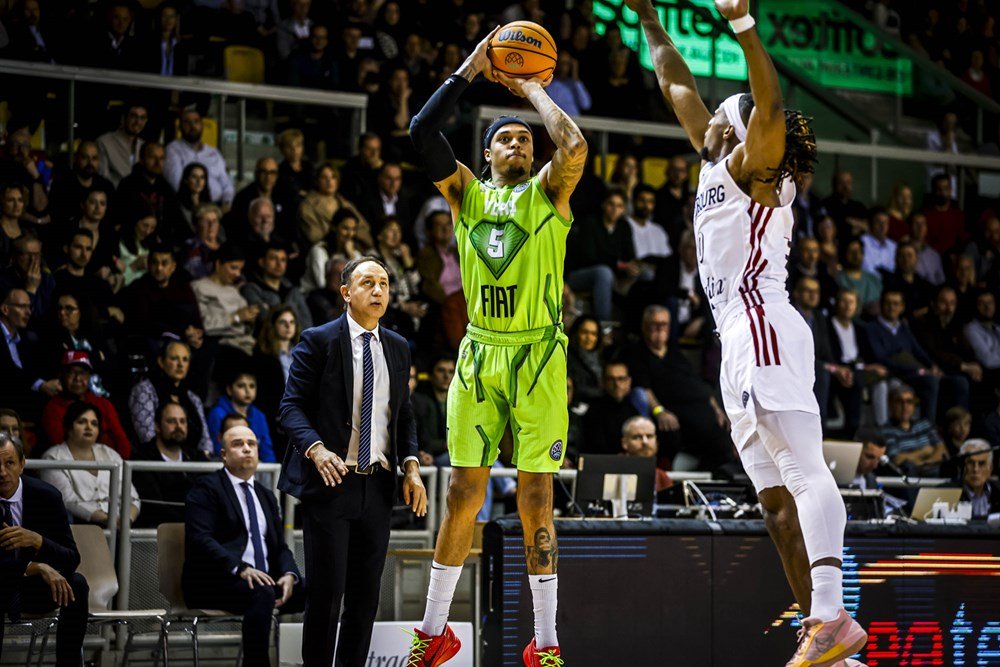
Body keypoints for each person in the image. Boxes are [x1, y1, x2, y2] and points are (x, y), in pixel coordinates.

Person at [629, 0, 866, 664]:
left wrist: (742, 26)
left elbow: (769, 104)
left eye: (721, 116)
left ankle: (832, 616)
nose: (706, 118)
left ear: (740, 134)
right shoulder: (716, 162)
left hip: (764, 324)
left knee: (803, 470)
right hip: (736, 339)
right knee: (775, 505)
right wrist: (646, 17)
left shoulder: (757, 170)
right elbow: (674, 83)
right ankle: (831, 648)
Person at [406, 21, 588, 665]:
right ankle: (434, 631)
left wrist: (531, 87)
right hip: (481, 353)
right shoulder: (465, 194)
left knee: (538, 498)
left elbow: (574, 144)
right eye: (506, 138)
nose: (518, 143)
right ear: (486, 154)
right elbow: (419, 132)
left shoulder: (549, 191)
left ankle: (546, 644)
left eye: (525, 140)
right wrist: (472, 68)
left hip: (539, 355)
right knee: (464, 493)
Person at [279, 257, 426, 667]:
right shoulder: (319, 340)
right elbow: (290, 407)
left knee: (365, 600)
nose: (378, 290)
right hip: (331, 481)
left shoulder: (398, 346)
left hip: (377, 486)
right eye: (368, 283)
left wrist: (411, 466)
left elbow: (403, 414)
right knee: (326, 595)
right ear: (346, 292)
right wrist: (317, 449)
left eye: (384, 283)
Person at [183, 425, 305, 667]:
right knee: (262, 593)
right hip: (216, 582)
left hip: (262, 583)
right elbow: (200, 538)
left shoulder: (265, 495)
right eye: (238, 444)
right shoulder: (206, 488)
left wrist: (289, 574)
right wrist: (240, 568)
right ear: (223, 455)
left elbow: (279, 547)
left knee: (319, 589)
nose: (247, 449)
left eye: (252, 444)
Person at [0, 433, 89, 667]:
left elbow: (72, 558)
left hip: (32, 590)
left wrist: (39, 541)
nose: (2, 472)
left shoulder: (47, 496)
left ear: (22, 464)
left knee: (77, 583)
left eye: (9, 463)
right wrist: (35, 567)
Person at [40, 402, 141, 526]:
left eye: (94, 423)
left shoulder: (109, 453)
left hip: (121, 525)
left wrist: (126, 521)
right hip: (80, 526)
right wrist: (107, 520)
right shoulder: (53, 457)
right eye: (82, 422)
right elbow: (67, 500)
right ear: (68, 427)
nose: (89, 427)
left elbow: (132, 496)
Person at [129, 339, 213, 458]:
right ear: (161, 362)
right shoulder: (145, 390)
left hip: (190, 460)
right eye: (174, 358)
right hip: (154, 460)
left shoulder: (192, 397)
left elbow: (205, 440)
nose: (180, 364)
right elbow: (146, 436)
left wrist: (203, 458)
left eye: (185, 359)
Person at [40, 351, 131, 458]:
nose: (78, 378)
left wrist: (118, 464)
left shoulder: (103, 404)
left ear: (89, 377)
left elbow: (123, 444)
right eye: (72, 372)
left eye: (83, 373)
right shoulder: (52, 408)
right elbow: (62, 447)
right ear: (61, 375)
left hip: (108, 463)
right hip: (69, 463)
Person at [132, 401, 200, 527]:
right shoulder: (142, 458)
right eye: (171, 421)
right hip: (158, 530)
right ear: (157, 426)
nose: (179, 426)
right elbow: (154, 506)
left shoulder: (197, 457)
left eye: (182, 421)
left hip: (196, 528)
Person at [0, 286, 59, 422]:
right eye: (22, 307)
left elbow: (33, 370)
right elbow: (6, 373)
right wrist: (41, 385)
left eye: (29, 307)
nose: (28, 312)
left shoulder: (25, 339)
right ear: (5, 309)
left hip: (22, 407)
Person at [192, 244, 259, 357]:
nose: (237, 274)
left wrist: (250, 318)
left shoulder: (234, 291)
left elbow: (245, 327)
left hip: (245, 343)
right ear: (218, 264)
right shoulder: (199, 287)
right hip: (220, 345)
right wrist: (236, 317)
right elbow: (204, 325)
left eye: (240, 269)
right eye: (233, 268)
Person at [165, 108, 235, 208]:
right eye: (187, 122)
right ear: (180, 127)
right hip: (188, 206)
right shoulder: (173, 149)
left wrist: (227, 204)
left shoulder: (213, 152)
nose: (192, 126)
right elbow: (176, 184)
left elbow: (227, 184)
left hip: (218, 207)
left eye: (196, 121)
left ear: (202, 126)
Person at [241, 241, 313, 328]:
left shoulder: (294, 290)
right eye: (273, 259)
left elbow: (307, 322)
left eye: (283, 260)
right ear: (262, 262)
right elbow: (264, 319)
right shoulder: (251, 289)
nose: (279, 264)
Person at [207, 371, 275, 462]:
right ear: (229, 390)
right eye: (241, 386)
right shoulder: (217, 413)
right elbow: (216, 447)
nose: (247, 391)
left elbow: (266, 449)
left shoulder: (259, 415)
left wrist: (270, 467)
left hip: (255, 465)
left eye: (252, 386)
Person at [882, 385, 948, 477]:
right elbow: (896, 460)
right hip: (909, 479)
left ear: (914, 405)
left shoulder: (924, 424)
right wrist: (924, 451)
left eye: (909, 401)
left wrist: (924, 462)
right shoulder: (886, 430)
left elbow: (942, 451)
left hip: (935, 474)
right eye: (899, 401)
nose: (905, 406)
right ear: (891, 405)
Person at [581, 361, 645, 456]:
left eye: (621, 379)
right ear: (603, 382)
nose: (617, 384)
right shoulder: (593, 412)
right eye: (611, 379)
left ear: (629, 381)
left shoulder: (634, 411)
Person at [97, 103, 147, 187]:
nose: (138, 122)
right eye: (133, 116)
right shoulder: (104, 142)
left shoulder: (144, 145)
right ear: (123, 118)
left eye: (142, 118)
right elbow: (103, 178)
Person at [620, 416, 672, 492]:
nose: (645, 442)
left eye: (649, 436)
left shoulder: (662, 477)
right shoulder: (612, 472)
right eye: (637, 437)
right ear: (624, 443)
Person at [956, 439, 1000, 519]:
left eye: (981, 463)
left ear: (990, 468)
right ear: (961, 467)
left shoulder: (998, 490)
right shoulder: (946, 492)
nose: (975, 469)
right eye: (970, 463)